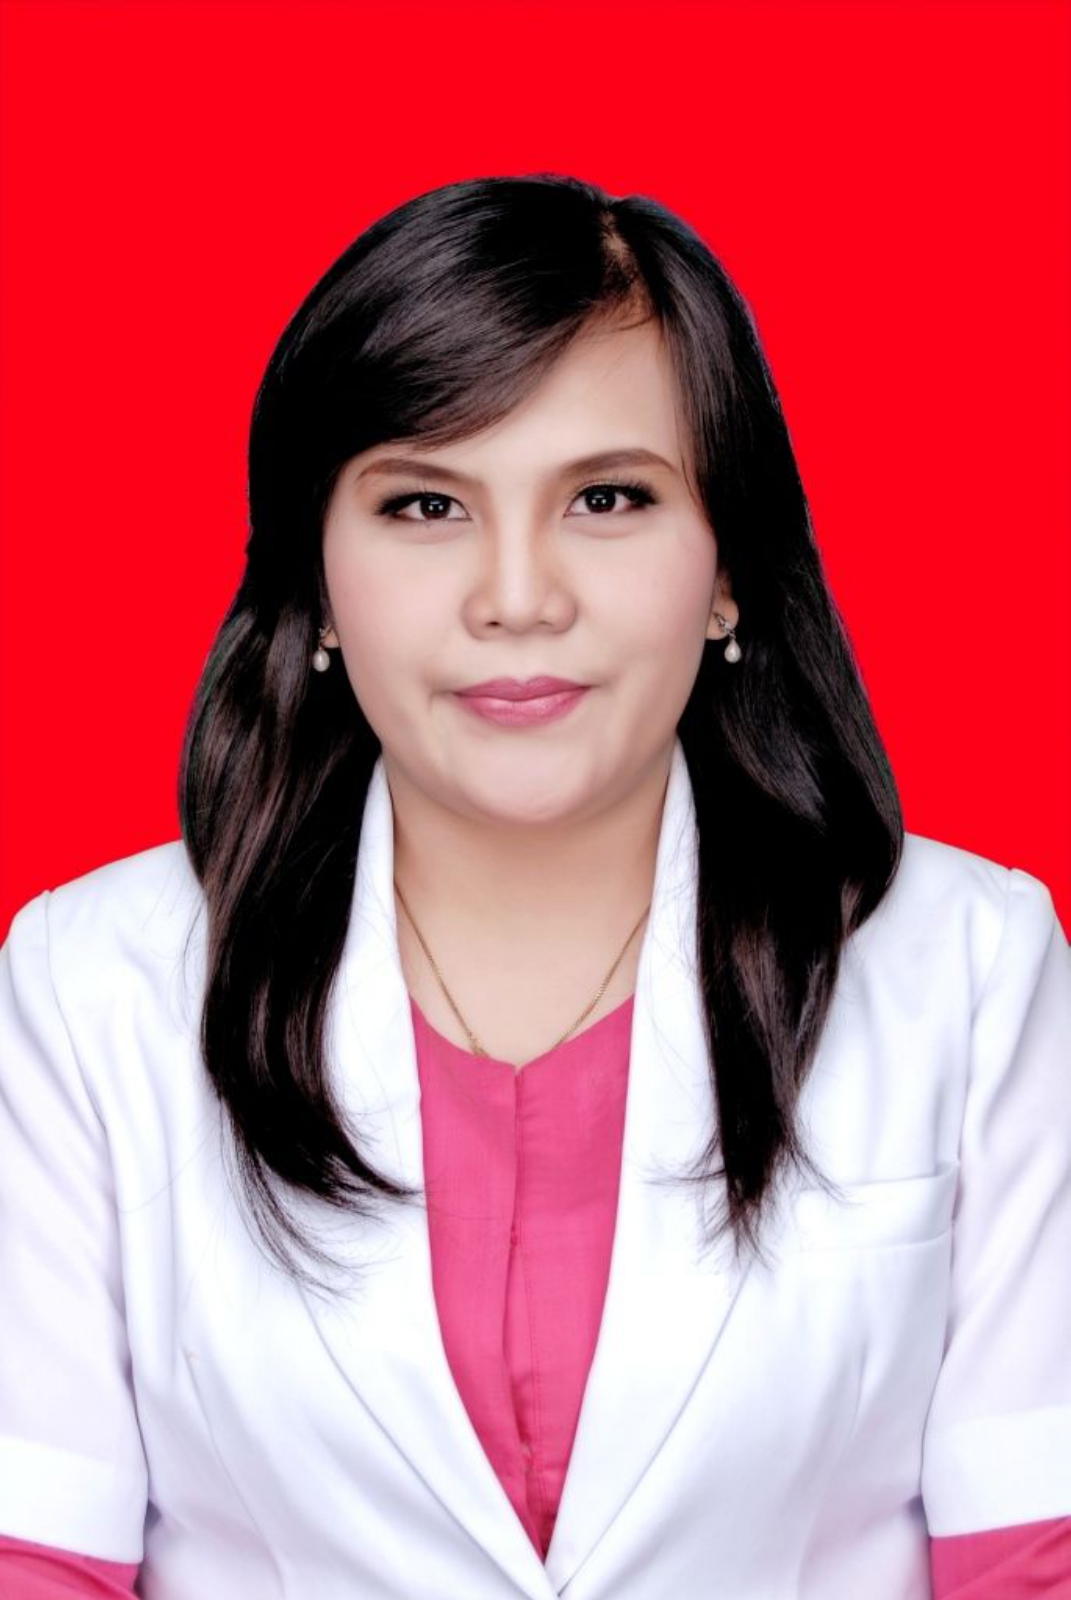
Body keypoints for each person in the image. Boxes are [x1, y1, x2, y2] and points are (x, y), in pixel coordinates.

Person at [0, 173, 1068, 1600]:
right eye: (425, 503)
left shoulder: (973, 966)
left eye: (608, 499)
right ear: (317, 578)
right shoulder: (90, 988)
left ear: (729, 568)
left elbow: (1032, 1552)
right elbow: (36, 1554)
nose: (517, 596)